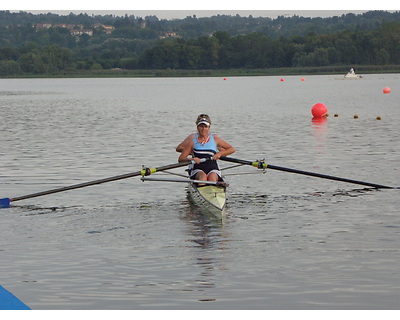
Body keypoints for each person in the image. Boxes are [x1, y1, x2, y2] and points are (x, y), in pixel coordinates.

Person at [177, 114, 235, 182]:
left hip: (213, 168)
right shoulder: (192, 141)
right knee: (203, 177)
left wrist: (220, 153)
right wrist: (192, 159)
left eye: (205, 127)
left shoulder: (215, 139)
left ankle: (213, 190)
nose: (203, 129)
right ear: (197, 127)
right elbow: (181, 159)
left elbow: (231, 149)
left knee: (212, 177)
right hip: (198, 169)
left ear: (209, 127)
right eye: (201, 126)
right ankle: (203, 188)